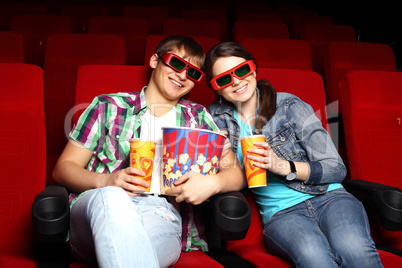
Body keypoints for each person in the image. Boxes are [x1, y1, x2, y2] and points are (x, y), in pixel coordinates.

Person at [53, 36, 246, 268]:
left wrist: (212, 184)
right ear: (155, 60)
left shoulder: (198, 117)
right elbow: (63, 169)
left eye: (194, 73)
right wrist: (108, 180)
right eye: (177, 63)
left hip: (161, 214)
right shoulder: (108, 106)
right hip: (101, 204)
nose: (183, 75)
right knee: (114, 197)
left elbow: (236, 173)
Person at [204, 42, 383, 268]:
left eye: (241, 70)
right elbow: (226, 181)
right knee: (314, 259)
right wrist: (221, 157)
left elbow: (336, 168)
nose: (236, 81)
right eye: (224, 79)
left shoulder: (289, 105)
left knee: (354, 250)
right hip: (281, 214)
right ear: (217, 89)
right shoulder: (214, 119)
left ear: (254, 69)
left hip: (329, 198)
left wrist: (283, 166)